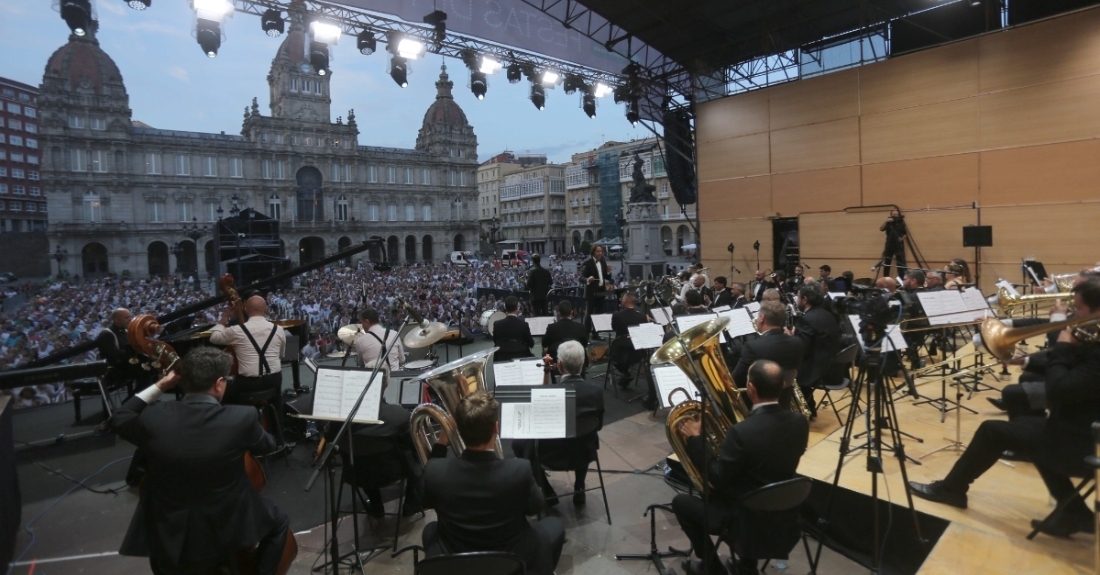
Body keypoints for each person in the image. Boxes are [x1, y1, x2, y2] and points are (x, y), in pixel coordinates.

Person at [909, 278, 1100, 537]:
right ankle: (1075, 514)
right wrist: (1027, 361)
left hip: (1085, 443)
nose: (1072, 314)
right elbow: (1079, 372)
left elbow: (1058, 391)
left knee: (992, 430)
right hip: (1080, 429)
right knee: (1026, 430)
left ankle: (951, 490)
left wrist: (1062, 345)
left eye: (1078, 309)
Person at [111, 347, 291, 575]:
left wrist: (162, 385)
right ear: (218, 383)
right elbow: (269, 446)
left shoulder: (153, 417)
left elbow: (119, 417)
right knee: (280, 522)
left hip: (167, 529)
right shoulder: (240, 418)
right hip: (225, 523)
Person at [672, 360, 809, 575]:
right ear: (783, 385)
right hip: (784, 513)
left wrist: (697, 440)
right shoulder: (800, 422)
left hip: (744, 519)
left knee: (681, 503)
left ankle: (712, 567)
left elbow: (717, 477)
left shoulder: (741, 432)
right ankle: (746, 565)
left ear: (751, 389)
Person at [421, 392, 565, 575]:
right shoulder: (518, 470)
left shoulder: (435, 471)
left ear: (457, 430)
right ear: (496, 428)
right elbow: (535, 507)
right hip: (510, 557)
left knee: (430, 530)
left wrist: (441, 445)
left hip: (458, 556)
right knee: (555, 525)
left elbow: (425, 501)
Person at [514, 341, 605, 506]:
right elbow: (598, 426)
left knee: (518, 444)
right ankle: (579, 487)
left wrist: (546, 372)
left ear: (560, 365)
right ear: (584, 363)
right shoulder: (595, 391)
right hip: (584, 451)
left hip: (551, 456)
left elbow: (536, 426)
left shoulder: (549, 394)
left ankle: (547, 491)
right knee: (585, 433)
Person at [210, 295, 287, 425]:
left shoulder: (236, 330)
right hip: (273, 380)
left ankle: (241, 428)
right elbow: (281, 355)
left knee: (223, 395)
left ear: (245, 310)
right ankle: (278, 432)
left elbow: (214, 338)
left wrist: (224, 318)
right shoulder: (278, 330)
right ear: (266, 309)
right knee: (277, 398)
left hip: (248, 383)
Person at [789, 284, 840, 418]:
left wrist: (791, 338)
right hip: (834, 367)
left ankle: (796, 410)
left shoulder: (807, 319)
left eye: (798, 297)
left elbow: (801, 349)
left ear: (805, 299)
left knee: (780, 367)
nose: (797, 300)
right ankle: (809, 406)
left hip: (818, 371)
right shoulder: (827, 314)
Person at [732, 301, 804, 391]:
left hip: (759, 399)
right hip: (785, 398)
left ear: (762, 318)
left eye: (758, 316)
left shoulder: (753, 347)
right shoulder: (797, 342)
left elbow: (736, 380)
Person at [94, 307, 148, 393]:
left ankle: (142, 396)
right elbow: (113, 354)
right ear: (116, 320)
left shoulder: (126, 331)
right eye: (126, 317)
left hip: (128, 365)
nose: (130, 319)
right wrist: (133, 353)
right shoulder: (106, 334)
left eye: (130, 317)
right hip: (116, 370)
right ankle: (138, 398)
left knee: (151, 365)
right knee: (146, 369)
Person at [581, 245, 612, 340]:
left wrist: (608, 272)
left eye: (601, 251)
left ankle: (595, 334)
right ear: (593, 252)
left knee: (599, 314)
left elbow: (607, 277)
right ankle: (585, 335)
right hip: (591, 292)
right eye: (598, 251)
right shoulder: (587, 263)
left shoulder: (603, 261)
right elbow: (581, 278)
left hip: (601, 292)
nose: (600, 253)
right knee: (589, 314)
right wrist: (588, 279)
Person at [493, 296, 535, 362]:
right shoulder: (523, 325)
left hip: (501, 357)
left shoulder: (497, 324)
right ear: (517, 308)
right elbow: (531, 344)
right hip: (521, 356)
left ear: (505, 307)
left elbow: (496, 342)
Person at [879, 208, 908, 278]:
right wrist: (886, 221)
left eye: (897, 214)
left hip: (898, 245)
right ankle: (885, 278)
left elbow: (905, 234)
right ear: (891, 215)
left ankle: (902, 279)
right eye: (894, 214)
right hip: (889, 244)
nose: (896, 216)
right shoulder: (889, 223)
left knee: (900, 263)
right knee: (887, 262)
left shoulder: (901, 223)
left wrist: (901, 239)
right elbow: (881, 229)